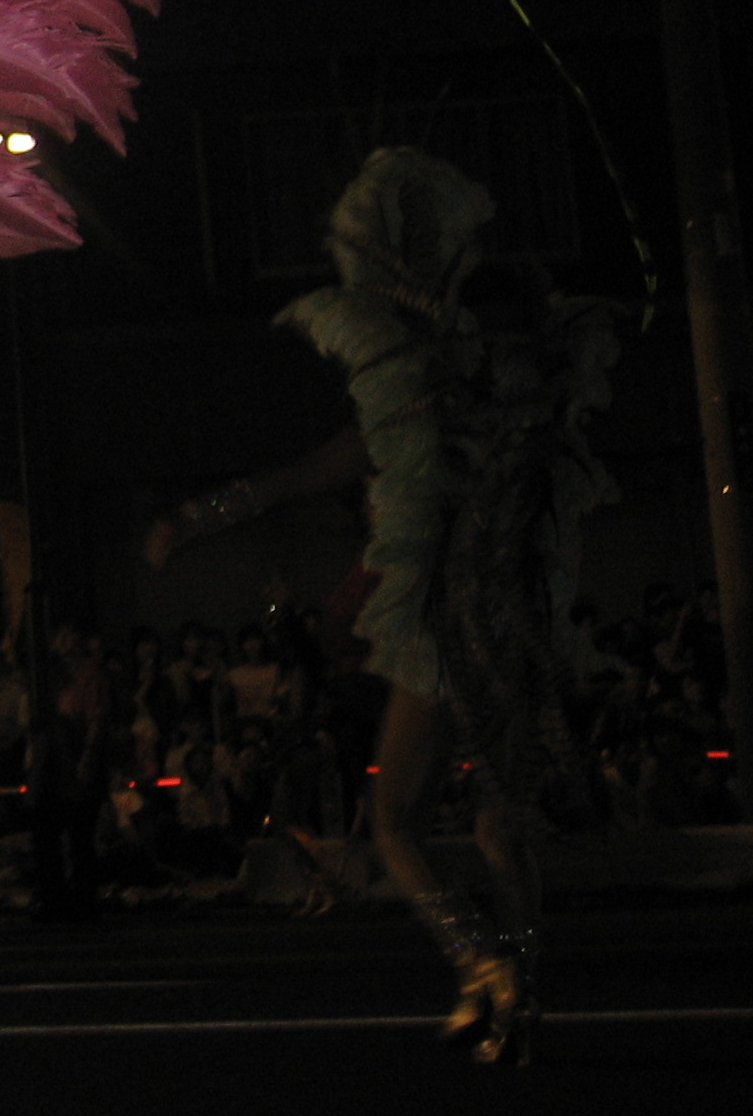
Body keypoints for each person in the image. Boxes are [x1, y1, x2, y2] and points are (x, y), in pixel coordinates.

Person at [150, 148, 618, 1064]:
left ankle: (483, 965)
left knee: (395, 822)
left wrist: (188, 521)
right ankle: (521, 998)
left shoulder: (403, 403)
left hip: (444, 629)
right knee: (499, 830)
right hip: (518, 627)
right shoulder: (509, 400)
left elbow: (290, 480)